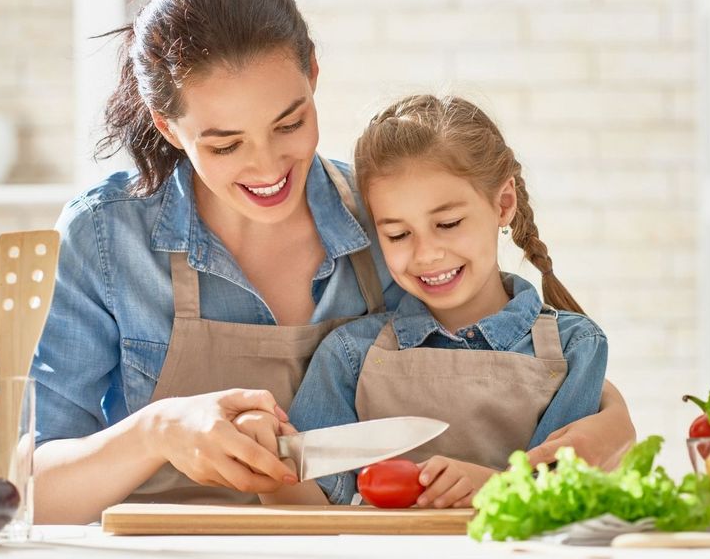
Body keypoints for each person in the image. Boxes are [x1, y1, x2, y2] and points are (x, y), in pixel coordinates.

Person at [31, 0, 635, 524]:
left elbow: (495, 361)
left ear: (314, 74)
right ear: (169, 127)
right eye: (225, 144)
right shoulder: (106, 238)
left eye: (290, 123)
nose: (268, 166)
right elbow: (31, 493)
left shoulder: (388, 222)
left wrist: (611, 419)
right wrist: (156, 430)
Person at [246, 94, 623, 508]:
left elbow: (564, 497)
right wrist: (267, 465)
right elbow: (310, 511)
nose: (425, 254)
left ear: (503, 204)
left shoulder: (576, 348)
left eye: (447, 224)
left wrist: (493, 487)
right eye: (397, 234)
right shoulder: (350, 355)